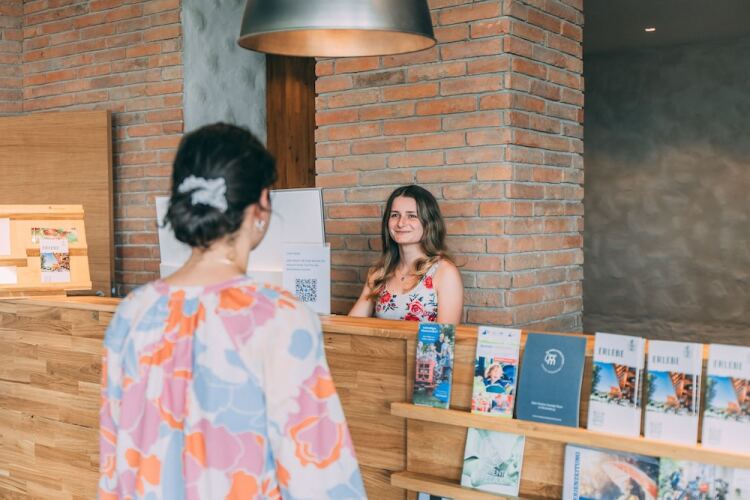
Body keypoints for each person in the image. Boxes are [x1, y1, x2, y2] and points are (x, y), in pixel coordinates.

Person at [99, 123, 365, 499]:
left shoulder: (131, 313)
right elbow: (318, 471)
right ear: (262, 204)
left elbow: (114, 459)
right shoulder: (279, 317)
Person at [348, 185, 463, 324]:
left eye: (412, 216)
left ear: (429, 223)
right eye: (395, 215)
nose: (401, 223)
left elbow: (445, 335)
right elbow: (351, 325)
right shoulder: (379, 273)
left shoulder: (444, 272)